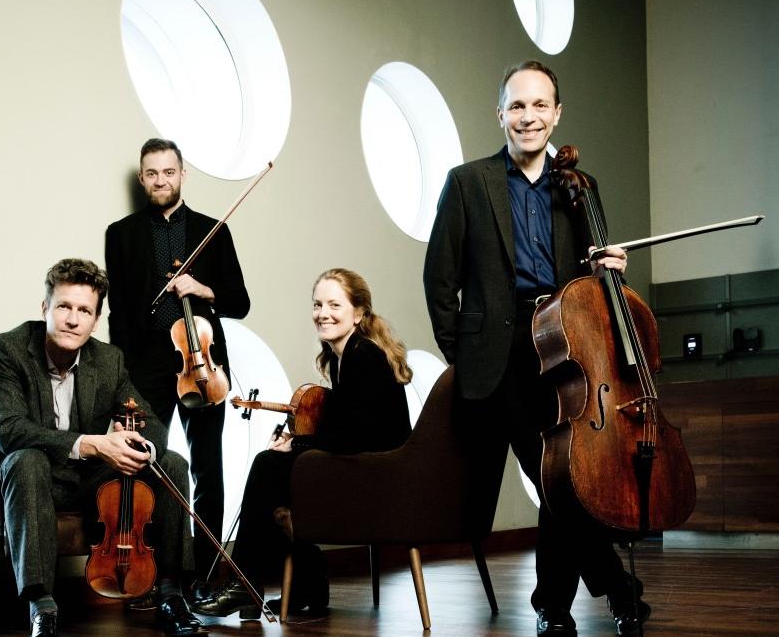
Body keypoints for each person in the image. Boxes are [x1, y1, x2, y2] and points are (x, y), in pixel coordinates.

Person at [423, 61, 647, 637]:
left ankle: (558, 607)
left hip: (565, 349)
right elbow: (438, 279)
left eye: (539, 105)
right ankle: (604, 594)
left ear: (557, 113)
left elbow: (592, 282)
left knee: (564, 482)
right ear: (500, 114)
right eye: (517, 106)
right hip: (501, 358)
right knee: (558, 480)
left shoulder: (580, 187)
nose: (528, 116)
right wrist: (463, 351)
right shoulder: (467, 182)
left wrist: (610, 272)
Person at [0, 259, 203, 637]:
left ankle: (171, 594)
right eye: (63, 307)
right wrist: (93, 445)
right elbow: (7, 430)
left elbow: (152, 423)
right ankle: (42, 606)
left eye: (84, 310)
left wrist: (137, 444)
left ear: (95, 319)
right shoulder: (4, 350)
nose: (72, 319)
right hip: (19, 479)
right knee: (27, 459)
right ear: (45, 309)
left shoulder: (107, 359)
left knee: (170, 461)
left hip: (78, 480)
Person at [190, 268, 413, 619]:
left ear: (358, 313)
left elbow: (358, 437)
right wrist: (298, 441)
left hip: (378, 478)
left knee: (268, 466)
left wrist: (296, 446)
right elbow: (349, 429)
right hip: (366, 466)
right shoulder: (344, 357)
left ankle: (249, 584)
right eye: (317, 304)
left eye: (334, 305)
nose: (323, 313)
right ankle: (306, 585)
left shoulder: (363, 356)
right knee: (276, 482)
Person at [105, 138, 250, 586]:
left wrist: (203, 289)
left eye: (168, 172)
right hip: (146, 363)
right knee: (145, 464)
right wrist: (123, 372)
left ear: (182, 174)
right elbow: (120, 313)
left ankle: (205, 572)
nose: (160, 180)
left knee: (208, 467)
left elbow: (240, 302)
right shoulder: (121, 233)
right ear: (142, 178)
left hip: (201, 362)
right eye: (152, 174)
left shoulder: (213, 230)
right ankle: (154, 572)